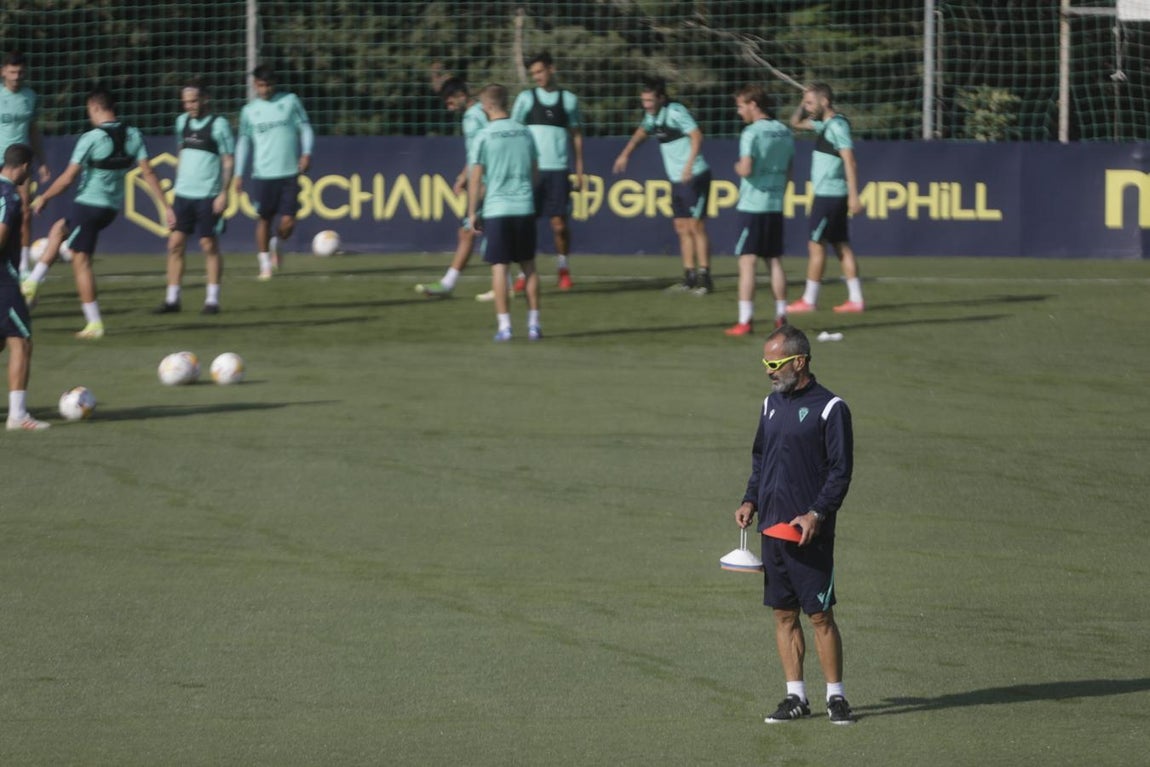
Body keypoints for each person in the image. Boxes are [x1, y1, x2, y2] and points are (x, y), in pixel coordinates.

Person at [734, 324, 855, 725]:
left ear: (799, 362)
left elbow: (840, 472)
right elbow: (760, 459)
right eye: (765, 362)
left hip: (809, 535)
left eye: (775, 362)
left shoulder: (830, 408)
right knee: (783, 615)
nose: (768, 371)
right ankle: (796, 697)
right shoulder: (769, 405)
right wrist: (751, 498)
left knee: (820, 616)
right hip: (772, 531)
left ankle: (836, 697)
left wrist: (816, 514)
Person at [22, 86, 174, 339]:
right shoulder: (133, 134)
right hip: (110, 208)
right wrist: (166, 206)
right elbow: (148, 173)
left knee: (81, 262)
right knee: (59, 228)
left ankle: (94, 324)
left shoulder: (91, 138)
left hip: (89, 205)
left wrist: (44, 197)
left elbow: (69, 178)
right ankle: (33, 281)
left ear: (94, 107)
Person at [612, 77, 712, 294]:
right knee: (681, 227)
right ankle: (690, 277)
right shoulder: (652, 116)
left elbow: (696, 135)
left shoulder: (675, 112)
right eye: (644, 101)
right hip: (677, 179)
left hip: (694, 175)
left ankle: (705, 278)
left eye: (650, 100)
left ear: (661, 98)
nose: (646, 105)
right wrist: (625, 154)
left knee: (696, 227)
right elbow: (641, 132)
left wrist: (689, 165)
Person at [154, 78, 235, 315]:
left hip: (208, 196)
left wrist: (223, 193)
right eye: (185, 102)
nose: (189, 106)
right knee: (175, 244)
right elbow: (181, 151)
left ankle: (212, 300)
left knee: (208, 245)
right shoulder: (182, 123)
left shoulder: (219, 125)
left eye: (193, 101)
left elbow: (228, 160)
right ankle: (172, 300)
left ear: (205, 98)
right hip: (183, 195)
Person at [467, 84, 540, 341]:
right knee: (529, 266)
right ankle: (533, 324)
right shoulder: (525, 132)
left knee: (499, 267)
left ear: (487, 106)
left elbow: (475, 179)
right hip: (523, 206)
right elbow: (535, 170)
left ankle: (505, 327)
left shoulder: (484, 135)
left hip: (497, 208)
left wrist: (473, 211)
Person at [786, 82, 864, 314]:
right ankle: (856, 299)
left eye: (811, 102)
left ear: (825, 102)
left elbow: (850, 160)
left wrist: (854, 195)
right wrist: (804, 101)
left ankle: (809, 300)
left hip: (829, 196)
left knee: (816, 245)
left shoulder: (837, 126)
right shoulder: (825, 125)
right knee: (841, 245)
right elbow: (795, 123)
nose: (807, 107)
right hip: (831, 195)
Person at [414, 77, 493, 301]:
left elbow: (486, 148)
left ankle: (449, 284)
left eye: (449, 102)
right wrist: (463, 175)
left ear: (461, 95)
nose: (448, 108)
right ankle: (505, 284)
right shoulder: (478, 113)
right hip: (483, 179)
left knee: (469, 231)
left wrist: (481, 180)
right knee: (476, 232)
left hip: (486, 182)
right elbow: (476, 152)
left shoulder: (473, 116)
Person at [510, 51, 583, 292]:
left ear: (551, 69)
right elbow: (514, 132)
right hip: (532, 173)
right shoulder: (526, 99)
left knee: (559, 225)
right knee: (525, 225)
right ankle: (524, 272)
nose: (537, 77)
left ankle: (563, 267)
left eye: (540, 71)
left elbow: (576, 136)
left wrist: (580, 170)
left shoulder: (568, 100)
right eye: (533, 74)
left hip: (558, 172)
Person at [725, 84, 795, 336]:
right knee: (774, 261)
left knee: (747, 262)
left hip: (753, 204)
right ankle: (781, 316)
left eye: (741, 106)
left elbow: (746, 168)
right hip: (775, 203)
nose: (739, 112)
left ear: (754, 105)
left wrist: (736, 167)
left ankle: (745, 320)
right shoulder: (784, 132)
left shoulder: (751, 133)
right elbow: (790, 170)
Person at [234, 64, 313, 280]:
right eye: (260, 85)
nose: (264, 89)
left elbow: (305, 127)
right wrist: (238, 173)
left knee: (288, 222)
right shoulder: (249, 111)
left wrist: (306, 153)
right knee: (264, 220)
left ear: (274, 84)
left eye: (268, 85)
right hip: (263, 174)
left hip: (289, 172)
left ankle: (277, 243)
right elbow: (243, 142)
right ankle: (264, 265)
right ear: (254, 85)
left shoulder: (290, 102)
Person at [0, 144, 49, 430]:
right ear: (26, 167)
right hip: (3, 280)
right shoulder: (10, 196)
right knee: (22, 340)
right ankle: (17, 415)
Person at [0, 52, 52, 276]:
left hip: (21, 163)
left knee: (24, 212)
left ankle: (21, 265)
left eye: (20, 72)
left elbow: (33, 130)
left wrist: (41, 162)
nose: (16, 76)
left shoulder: (30, 96)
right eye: (12, 72)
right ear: (3, 72)